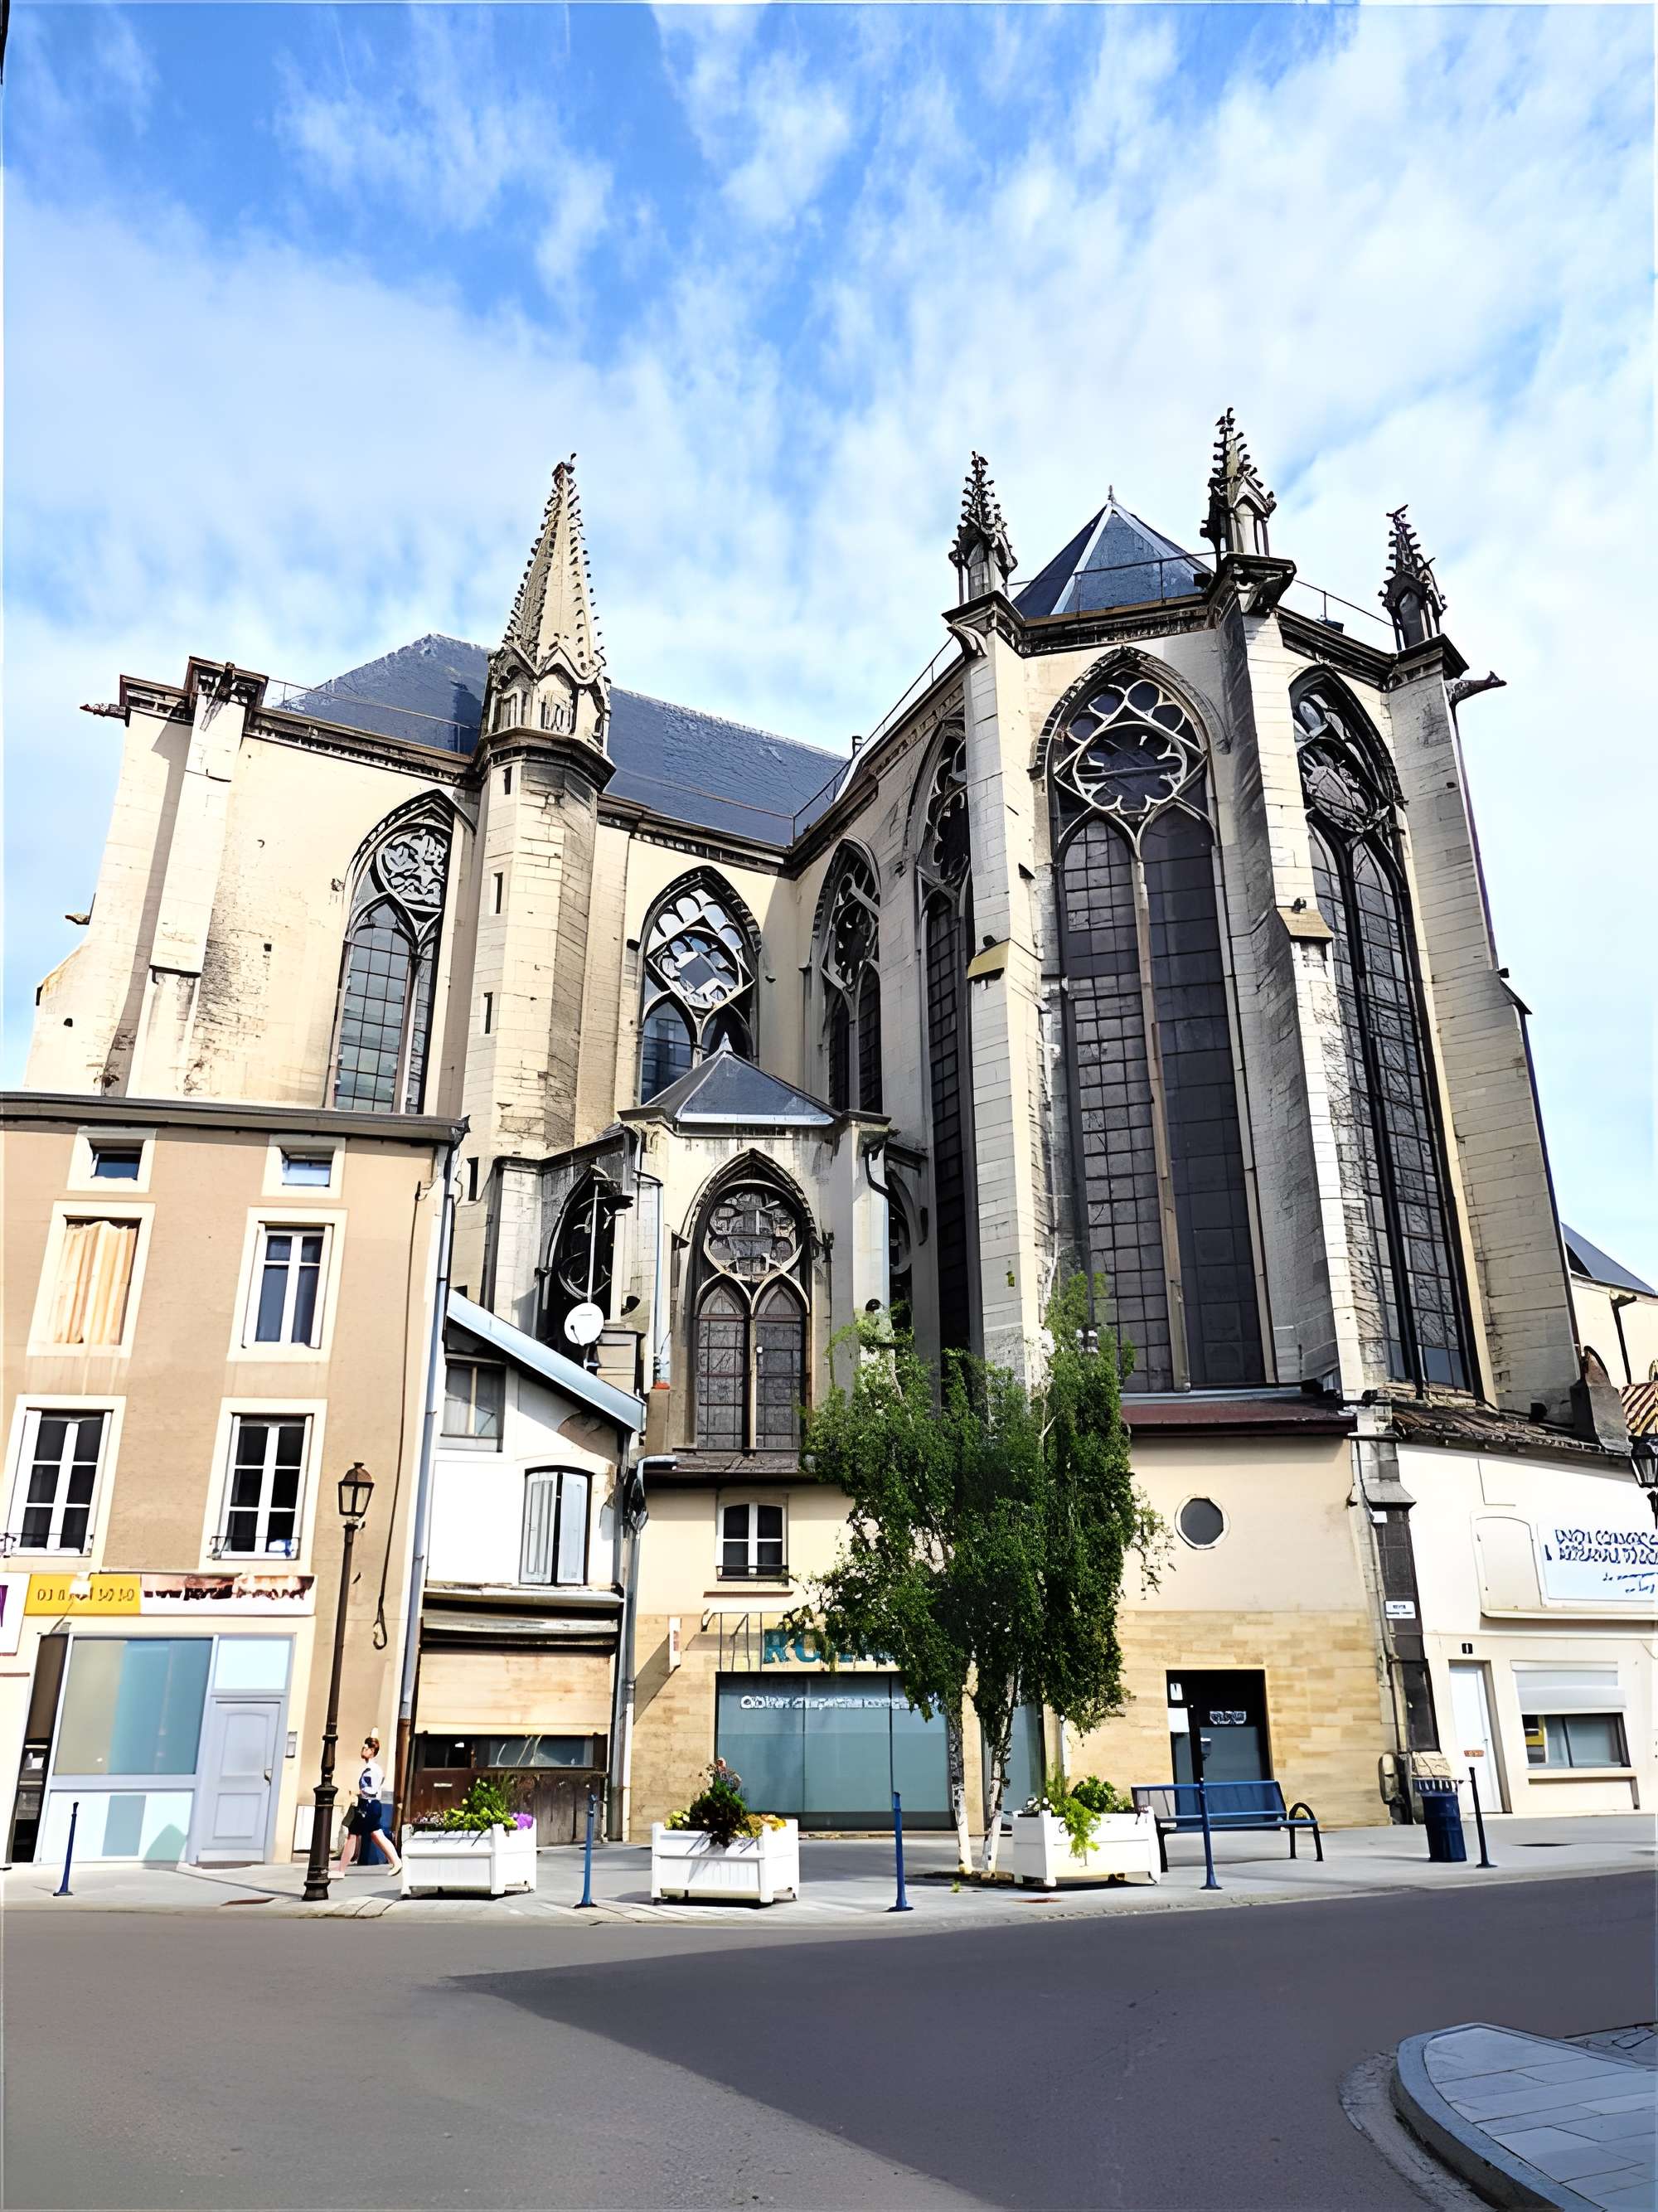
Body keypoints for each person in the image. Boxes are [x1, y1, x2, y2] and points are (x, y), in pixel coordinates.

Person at [337, 1732, 401, 1875]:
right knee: (374, 1835)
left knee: (354, 1835)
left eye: (365, 1748)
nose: (363, 1750)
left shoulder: (371, 1770)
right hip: (370, 1805)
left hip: (368, 1805)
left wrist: (358, 1792)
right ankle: (396, 1861)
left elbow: (371, 1790)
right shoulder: (375, 1769)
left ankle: (341, 1870)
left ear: (372, 1751)